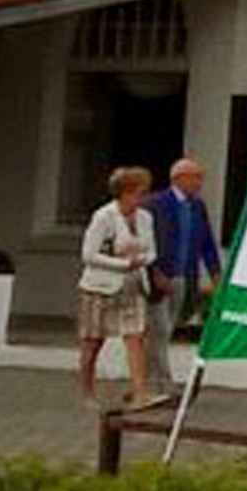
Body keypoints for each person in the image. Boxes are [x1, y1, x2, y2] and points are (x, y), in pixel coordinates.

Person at [75, 167, 163, 409]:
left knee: (135, 336)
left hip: (133, 285)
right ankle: (87, 391)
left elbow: (152, 250)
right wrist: (123, 263)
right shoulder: (104, 217)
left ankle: (139, 393)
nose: (142, 198)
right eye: (138, 192)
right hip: (100, 287)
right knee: (93, 342)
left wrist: (142, 260)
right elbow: (89, 255)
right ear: (124, 193)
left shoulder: (146, 218)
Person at [147, 158, 225, 358]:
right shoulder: (156, 204)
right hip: (161, 276)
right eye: (196, 177)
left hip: (185, 276)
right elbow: (147, 240)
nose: (200, 182)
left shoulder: (197, 206)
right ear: (179, 178)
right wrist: (153, 270)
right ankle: (158, 378)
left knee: (171, 326)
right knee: (158, 329)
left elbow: (206, 241)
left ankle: (154, 372)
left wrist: (215, 272)